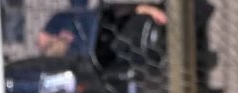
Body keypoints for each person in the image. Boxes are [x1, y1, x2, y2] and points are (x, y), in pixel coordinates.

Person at [37, 0, 167, 57]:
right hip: (116, 43)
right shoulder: (79, 51)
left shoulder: (65, 19)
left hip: (112, 28)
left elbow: (42, 38)